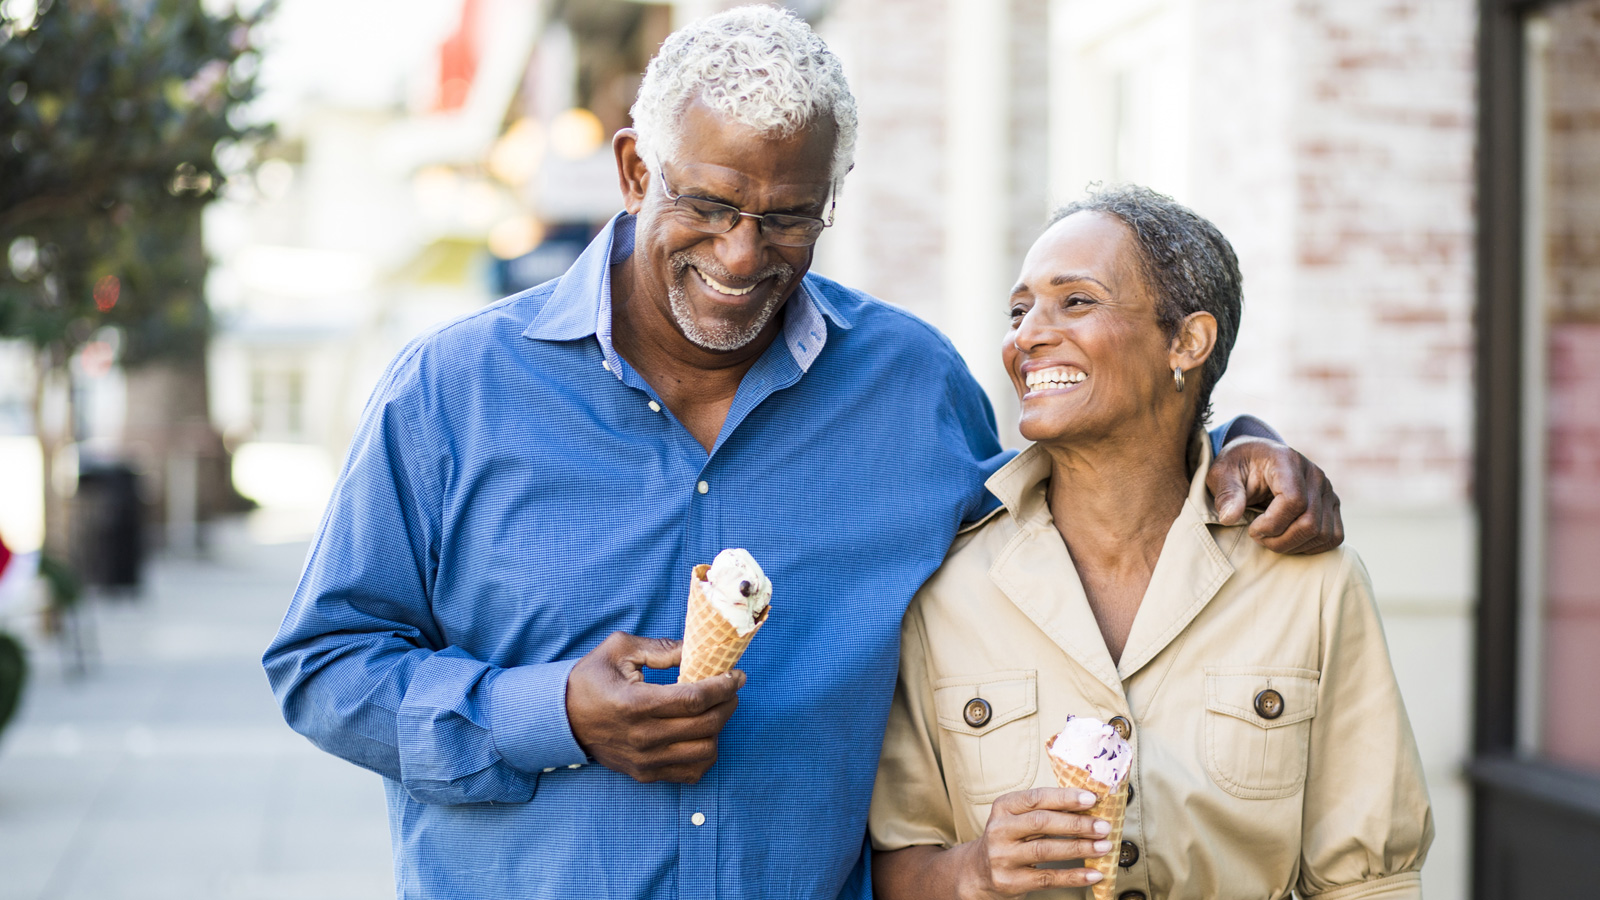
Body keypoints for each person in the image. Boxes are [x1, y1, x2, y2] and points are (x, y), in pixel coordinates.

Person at [263, 8, 1345, 900]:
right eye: (708, 204)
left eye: (787, 218)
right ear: (636, 169)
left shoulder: (910, 387)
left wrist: (1231, 441)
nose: (742, 256)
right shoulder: (454, 392)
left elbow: (1071, 517)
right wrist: (551, 714)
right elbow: (320, 666)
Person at [868, 185, 1432, 900]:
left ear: (1187, 342)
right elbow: (890, 864)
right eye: (1019, 310)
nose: (1027, 336)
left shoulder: (1312, 584)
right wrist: (974, 870)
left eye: (1075, 301)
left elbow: (1367, 881)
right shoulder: (945, 587)